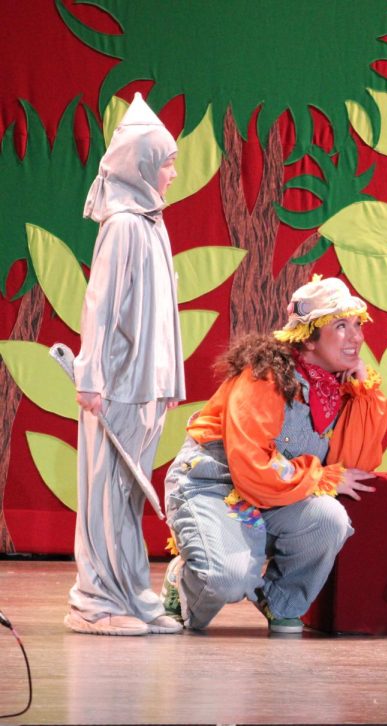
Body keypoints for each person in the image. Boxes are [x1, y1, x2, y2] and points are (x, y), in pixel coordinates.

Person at [159, 276, 386, 633]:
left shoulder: (336, 384)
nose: (356, 337)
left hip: (272, 495)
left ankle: (279, 599)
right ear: (307, 339)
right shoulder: (265, 377)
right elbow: (251, 466)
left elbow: (354, 462)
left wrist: (362, 394)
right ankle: (183, 582)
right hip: (216, 485)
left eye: (357, 324)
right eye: (340, 326)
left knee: (330, 519)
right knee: (230, 580)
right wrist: (320, 476)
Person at [65, 93, 187, 636]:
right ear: (141, 165)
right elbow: (102, 307)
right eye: (166, 163)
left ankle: (132, 595)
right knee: (106, 496)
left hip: (145, 386)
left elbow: (162, 315)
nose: (173, 174)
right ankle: (96, 601)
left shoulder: (150, 223)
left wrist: (168, 380)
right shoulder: (123, 226)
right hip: (116, 385)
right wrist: (91, 379)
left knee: (127, 495)